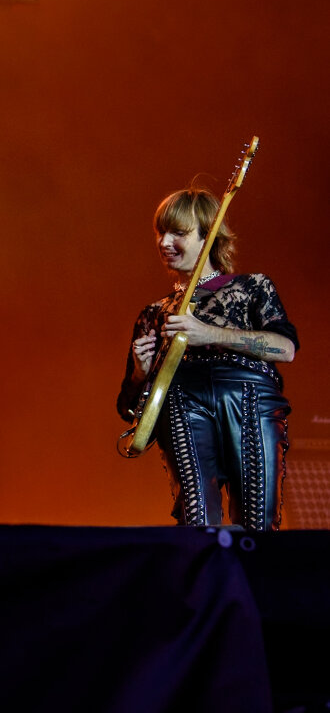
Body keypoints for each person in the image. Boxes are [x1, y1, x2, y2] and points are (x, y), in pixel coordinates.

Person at [117, 187, 297, 530]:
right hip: (182, 405)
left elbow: (285, 349)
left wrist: (210, 334)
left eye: (178, 233)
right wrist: (140, 376)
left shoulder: (253, 287)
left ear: (208, 235)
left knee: (259, 522)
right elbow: (129, 410)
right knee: (196, 524)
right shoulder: (154, 313)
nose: (164, 242)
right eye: (160, 233)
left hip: (249, 401)